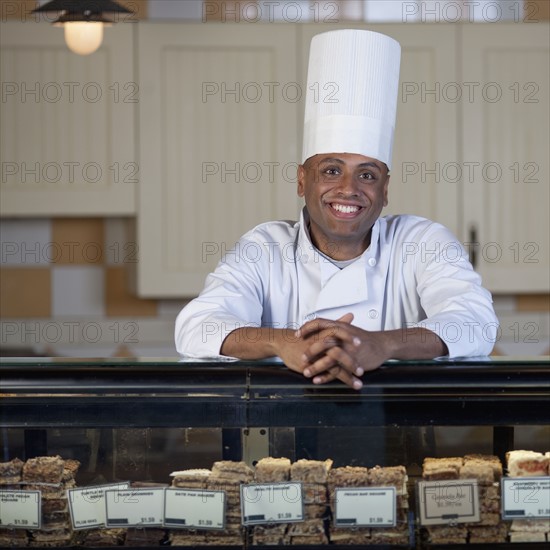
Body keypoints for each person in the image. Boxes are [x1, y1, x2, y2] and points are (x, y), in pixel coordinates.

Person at [175, 29, 498, 389]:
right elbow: (196, 326)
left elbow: (475, 322)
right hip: (283, 440)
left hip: (401, 434)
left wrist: (383, 343)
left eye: (367, 174)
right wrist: (281, 342)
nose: (349, 189)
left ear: (385, 188)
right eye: (331, 170)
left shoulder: (421, 241)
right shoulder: (265, 246)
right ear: (302, 181)